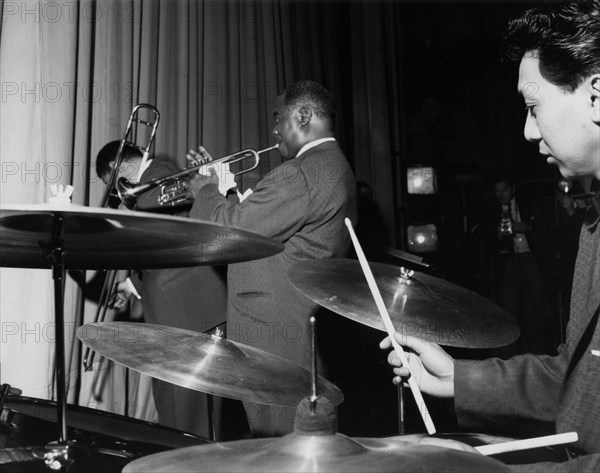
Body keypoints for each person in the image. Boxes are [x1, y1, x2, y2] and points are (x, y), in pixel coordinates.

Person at [381, 1, 599, 471]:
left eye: (533, 107)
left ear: (597, 95)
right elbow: (577, 378)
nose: (526, 130)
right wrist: (458, 377)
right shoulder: (595, 224)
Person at [186, 80, 357, 437]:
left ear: (304, 115)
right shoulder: (333, 166)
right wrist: (228, 191)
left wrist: (203, 190)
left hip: (272, 331)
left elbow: (226, 230)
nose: (274, 128)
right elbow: (273, 229)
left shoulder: (298, 172)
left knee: (275, 441)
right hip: (296, 321)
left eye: (279, 118)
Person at [95, 140, 228, 439]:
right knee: (179, 412)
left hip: (189, 313)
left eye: (112, 186)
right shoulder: (155, 183)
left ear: (122, 168)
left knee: (189, 416)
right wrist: (131, 286)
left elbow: (165, 238)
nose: (116, 195)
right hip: (181, 312)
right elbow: (168, 247)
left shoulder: (160, 177)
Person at [482, 173, 553, 355]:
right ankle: (508, 356)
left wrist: (526, 227)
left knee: (536, 307)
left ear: (513, 188)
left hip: (531, 258)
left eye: (504, 190)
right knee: (508, 308)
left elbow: (547, 229)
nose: (501, 195)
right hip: (508, 262)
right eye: (497, 191)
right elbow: (481, 235)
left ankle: (539, 353)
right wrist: (496, 233)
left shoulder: (530, 203)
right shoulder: (491, 208)